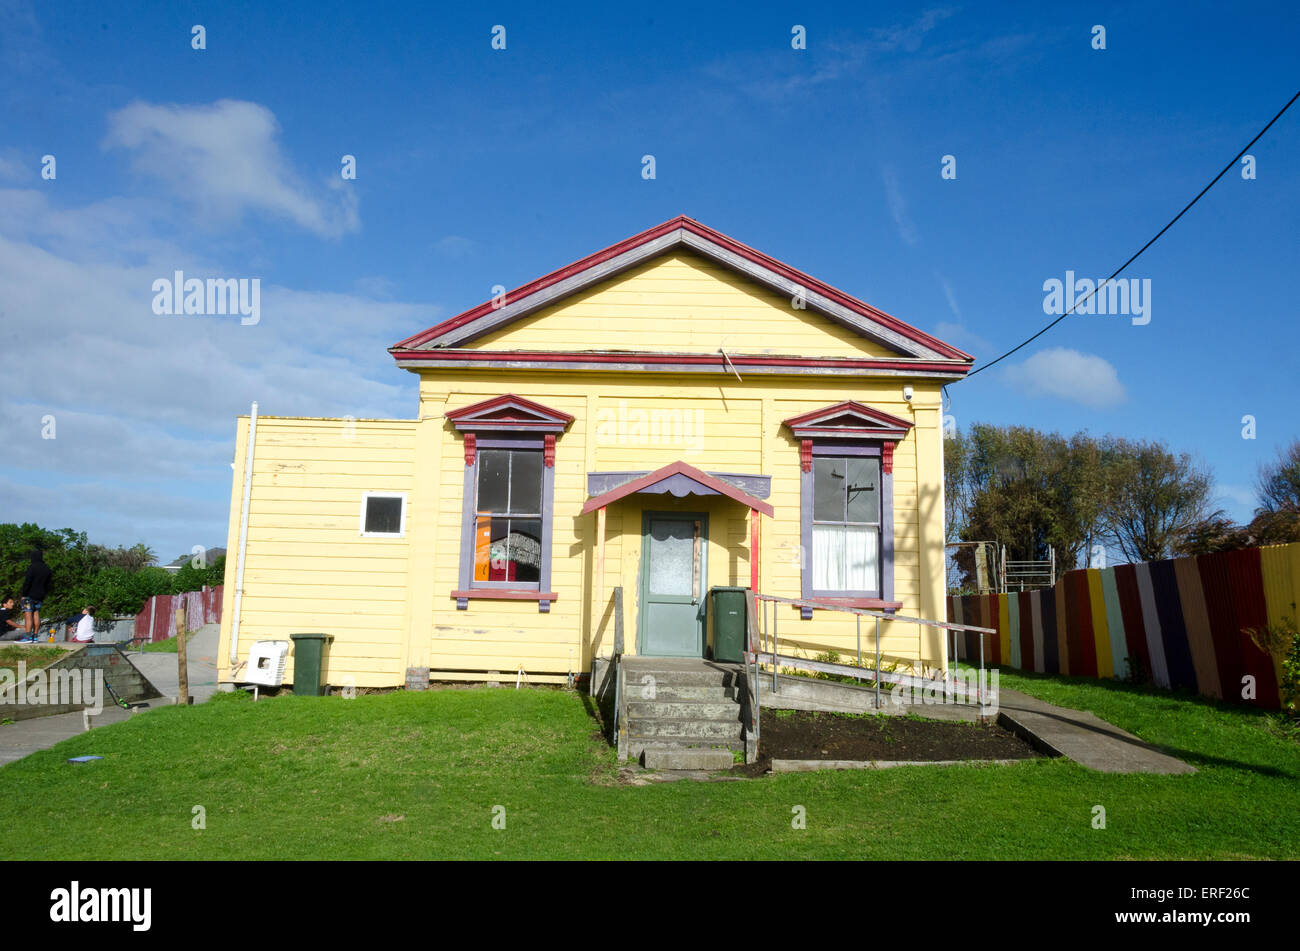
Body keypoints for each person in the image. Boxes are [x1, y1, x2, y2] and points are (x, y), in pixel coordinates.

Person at [20, 550, 52, 636]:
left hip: (29, 595)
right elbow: (48, 585)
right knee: (36, 613)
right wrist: (44, 593)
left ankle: (27, 636)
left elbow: (27, 581)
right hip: (40, 596)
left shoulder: (32, 567)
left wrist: (24, 594)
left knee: (28, 614)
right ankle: (35, 635)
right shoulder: (47, 568)